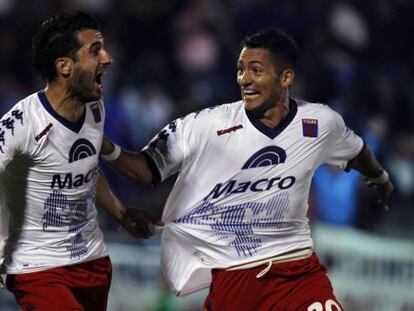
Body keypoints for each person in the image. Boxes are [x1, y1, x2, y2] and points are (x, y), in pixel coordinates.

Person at [101, 28, 393, 310]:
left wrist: (379, 177)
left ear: (286, 77)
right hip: (235, 279)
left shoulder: (319, 123)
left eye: (256, 69)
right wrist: (104, 146)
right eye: (241, 69)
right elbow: (145, 169)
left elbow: (357, 151)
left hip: (297, 272)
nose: (245, 79)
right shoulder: (207, 125)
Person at [0, 11, 159, 310]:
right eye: (95, 50)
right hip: (37, 266)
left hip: (91, 260)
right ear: (64, 66)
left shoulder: (95, 109)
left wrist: (120, 213)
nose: (108, 59)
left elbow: (85, 168)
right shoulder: (20, 126)